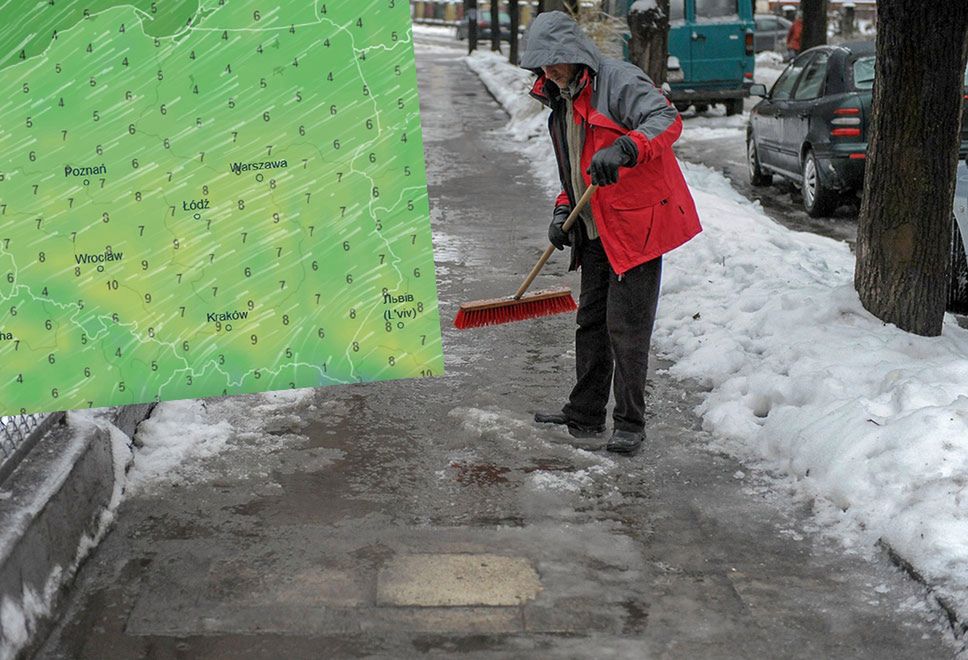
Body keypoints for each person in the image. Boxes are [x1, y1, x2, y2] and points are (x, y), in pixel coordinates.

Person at [519, 11, 702, 455]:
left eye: (555, 61)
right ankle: (584, 412)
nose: (549, 71)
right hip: (596, 225)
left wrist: (626, 146)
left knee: (628, 327)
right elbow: (575, 173)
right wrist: (564, 212)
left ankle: (630, 423)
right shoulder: (561, 100)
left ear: (575, 54)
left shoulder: (618, 81)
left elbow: (665, 119)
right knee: (592, 322)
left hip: (637, 223)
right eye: (541, 65)